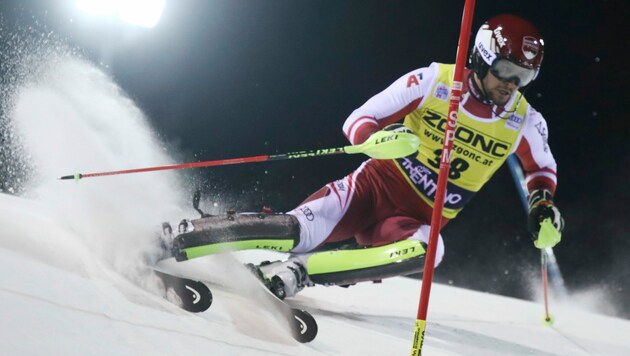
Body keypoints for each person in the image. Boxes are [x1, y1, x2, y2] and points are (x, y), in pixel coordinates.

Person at [166, 14, 565, 300]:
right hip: (370, 190)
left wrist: (542, 204)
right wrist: (375, 140)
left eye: (525, 77)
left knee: (431, 251)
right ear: (481, 57)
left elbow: (541, 168)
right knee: (297, 231)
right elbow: (361, 119)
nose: (512, 85)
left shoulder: (523, 120)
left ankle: (299, 272)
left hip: (411, 221)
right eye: (507, 70)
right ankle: (185, 236)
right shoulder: (435, 82)